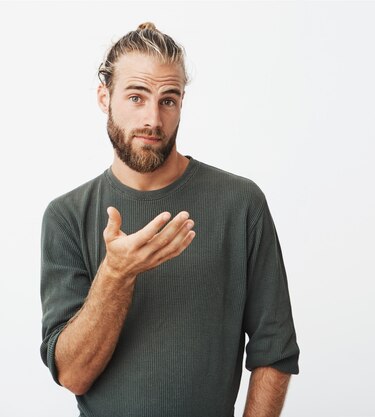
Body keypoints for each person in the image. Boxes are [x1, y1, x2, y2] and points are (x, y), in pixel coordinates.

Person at [40, 22, 300, 417]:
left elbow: (274, 349)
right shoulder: (67, 215)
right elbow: (73, 375)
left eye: (168, 100)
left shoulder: (240, 202)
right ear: (104, 97)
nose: (153, 120)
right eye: (136, 97)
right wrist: (117, 274)